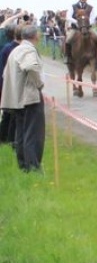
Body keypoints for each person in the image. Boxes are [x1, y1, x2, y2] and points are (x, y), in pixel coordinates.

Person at [1, 25, 45, 172]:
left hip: (17, 99)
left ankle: (23, 165)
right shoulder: (28, 50)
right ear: (36, 36)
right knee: (33, 133)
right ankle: (32, 166)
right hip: (29, 98)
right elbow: (31, 67)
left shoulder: (16, 50)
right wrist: (39, 84)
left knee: (21, 133)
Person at [64, 0, 97, 64]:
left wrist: (87, 23)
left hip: (87, 27)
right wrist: (76, 22)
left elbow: (93, 17)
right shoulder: (73, 6)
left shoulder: (90, 7)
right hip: (75, 28)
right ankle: (67, 56)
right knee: (68, 39)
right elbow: (68, 17)